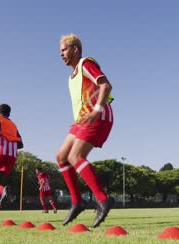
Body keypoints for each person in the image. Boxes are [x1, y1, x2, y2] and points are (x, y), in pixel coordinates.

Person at [57, 33, 114, 227]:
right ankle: (77, 202)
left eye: (64, 49)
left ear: (75, 49)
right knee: (61, 157)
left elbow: (106, 85)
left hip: (99, 115)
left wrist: (96, 110)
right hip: (82, 120)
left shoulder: (85, 64)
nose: (61, 54)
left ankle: (103, 199)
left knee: (75, 156)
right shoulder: (71, 77)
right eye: (60, 51)